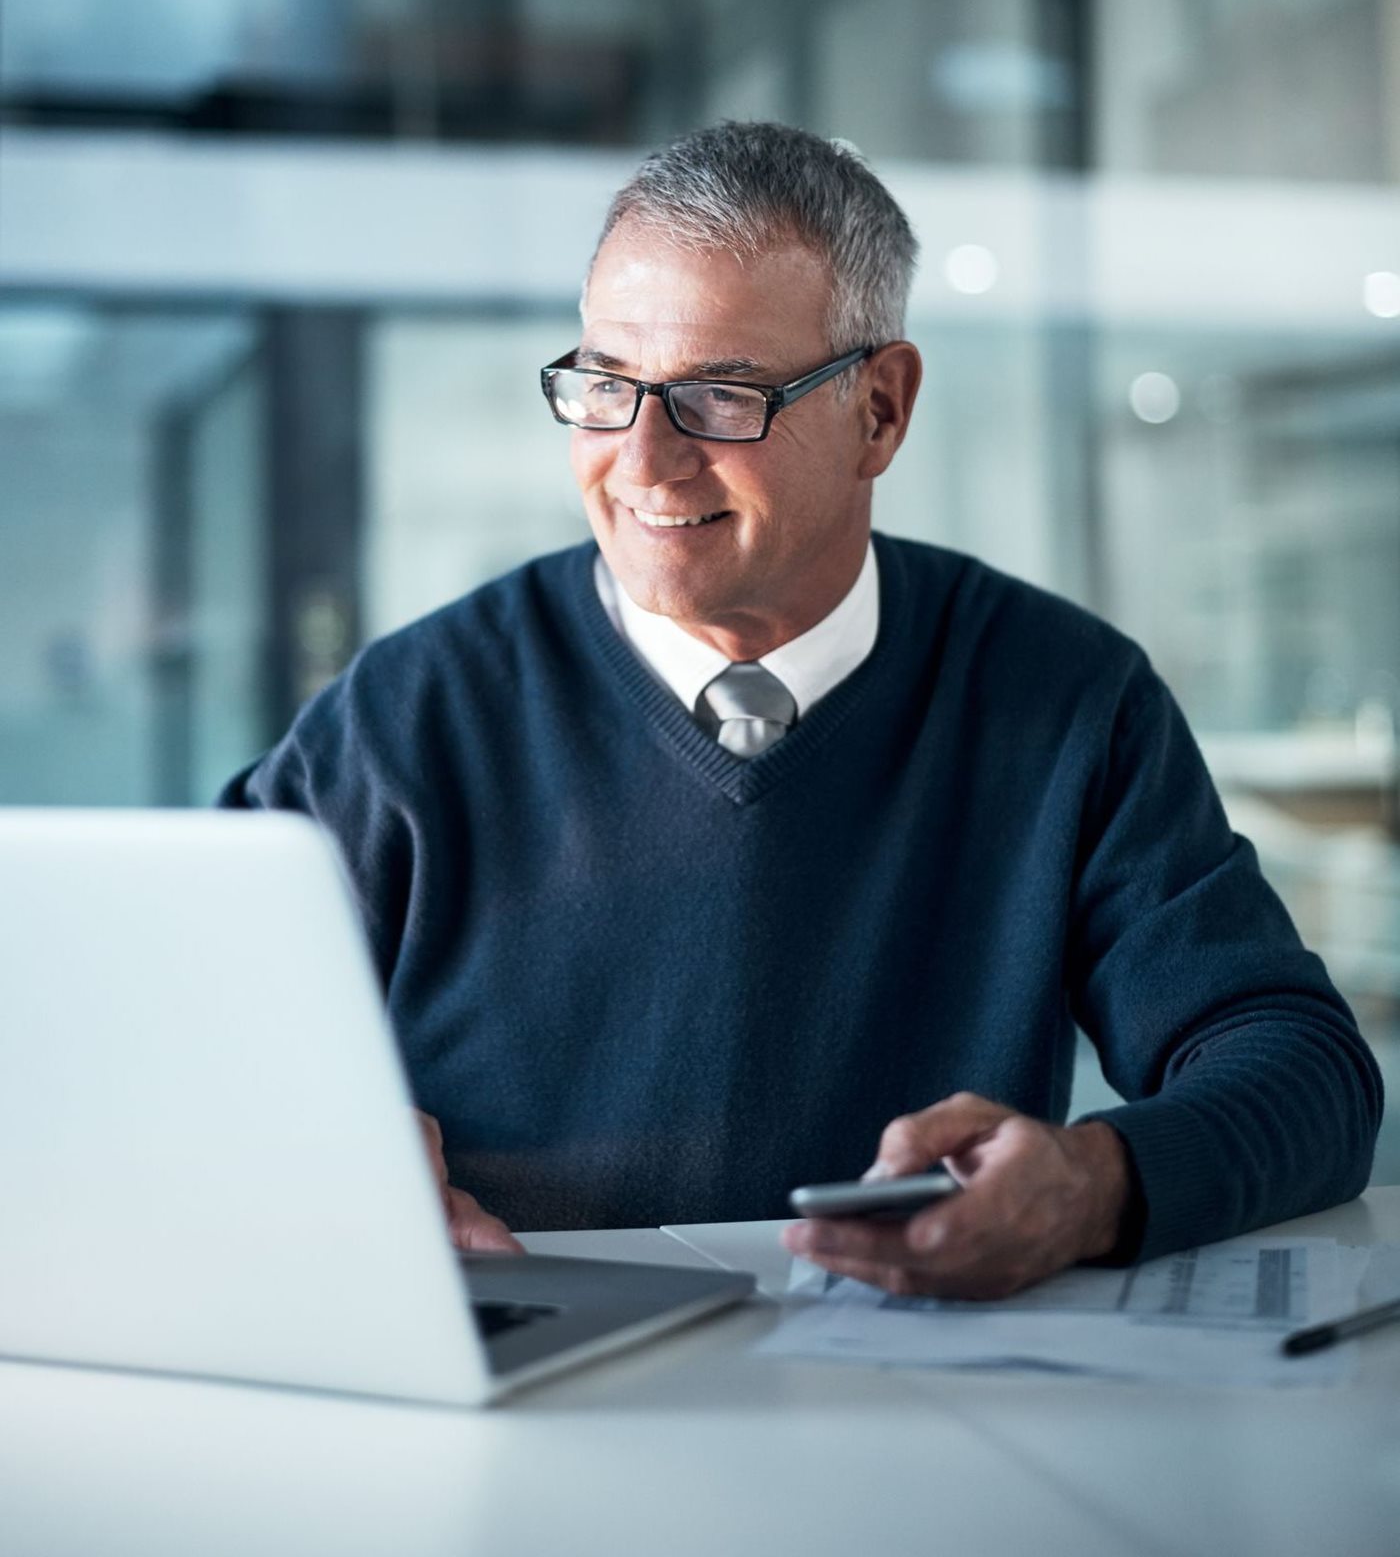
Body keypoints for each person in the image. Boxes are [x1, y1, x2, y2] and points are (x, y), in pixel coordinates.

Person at [220, 121, 1382, 1299]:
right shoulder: (407, 714)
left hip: (912, 1405)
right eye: (605, 386)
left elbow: (1303, 1073)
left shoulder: (1060, 699)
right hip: (516, 1385)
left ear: (879, 408)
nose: (642, 462)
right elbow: (184, 1038)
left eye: (720, 398)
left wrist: (1088, 1185)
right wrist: (332, 1152)